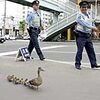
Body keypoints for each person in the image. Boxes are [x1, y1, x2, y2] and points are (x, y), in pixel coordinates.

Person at [74, 1, 100, 70]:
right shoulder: (79, 15)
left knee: (91, 50)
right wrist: (93, 28)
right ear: (80, 8)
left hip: (87, 36)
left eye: (85, 7)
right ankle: (77, 64)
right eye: (83, 7)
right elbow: (83, 23)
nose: (84, 9)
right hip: (80, 35)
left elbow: (92, 23)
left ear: (87, 8)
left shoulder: (89, 15)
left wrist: (94, 32)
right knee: (80, 50)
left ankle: (93, 64)